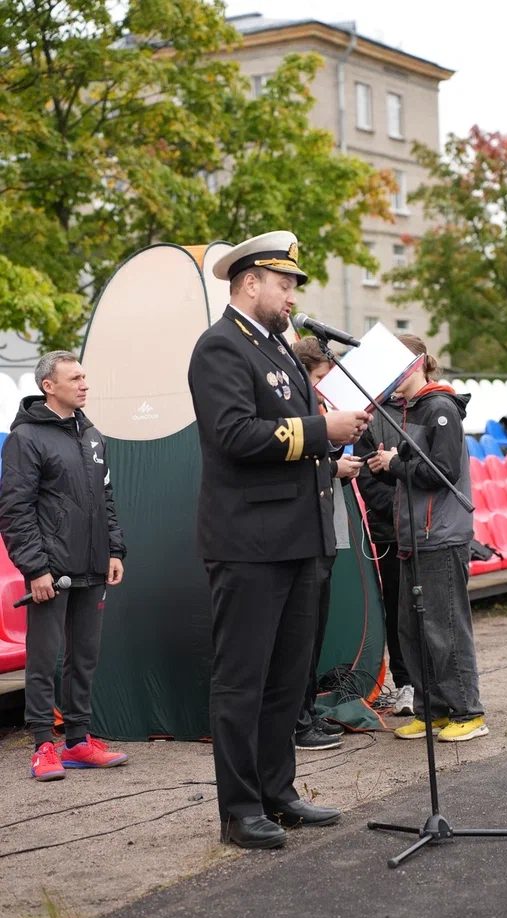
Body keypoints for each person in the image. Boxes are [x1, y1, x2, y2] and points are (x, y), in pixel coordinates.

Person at [188, 230, 371, 850]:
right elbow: (235, 435)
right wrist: (322, 430)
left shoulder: (277, 348)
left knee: (287, 680)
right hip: (250, 544)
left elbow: (293, 433)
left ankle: (278, 792)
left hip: (298, 539)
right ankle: (241, 811)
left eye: (294, 285)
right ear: (249, 283)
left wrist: (336, 431)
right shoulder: (220, 347)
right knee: (242, 681)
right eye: (284, 283)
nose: (292, 295)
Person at [0, 351, 128, 781]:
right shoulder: (26, 438)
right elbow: (14, 511)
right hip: (51, 573)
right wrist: (35, 569)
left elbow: (105, 500)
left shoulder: (92, 436)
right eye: (74, 378)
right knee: (43, 660)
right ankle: (42, 745)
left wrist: (114, 551)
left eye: (84, 376)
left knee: (84, 658)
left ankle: (76, 742)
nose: (84, 384)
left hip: (93, 566)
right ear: (48, 386)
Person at [367, 334, 488, 743]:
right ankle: (431, 709)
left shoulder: (439, 408)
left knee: (446, 629)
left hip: (440, 535)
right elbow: (416, 472)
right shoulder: (410, 410)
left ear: (416, 364)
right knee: (414, 629)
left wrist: (393, 464)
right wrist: (391, 467)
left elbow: (443, 473)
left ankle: (467, 711)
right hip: (414, 536)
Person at [290, 335, 362, 751]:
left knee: (314, 631)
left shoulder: (316, 410)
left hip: (321, 530)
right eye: (320, 377)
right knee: (300, 633)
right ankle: (298, 720)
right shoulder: (295, 412)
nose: (325, 386)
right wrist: (334, 467)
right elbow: (297, 467)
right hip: (302, 532)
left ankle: (305, 711)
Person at [354, 392, 415, 716]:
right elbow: (367, 482)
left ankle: (437, 682)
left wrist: (394, 464)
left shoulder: (429, 408)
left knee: (431, 609)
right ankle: (406, 683)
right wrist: (407, 507)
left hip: (429, 529)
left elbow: (437, 470)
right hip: (390, 532)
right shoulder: (371, 416)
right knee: (397, 608)